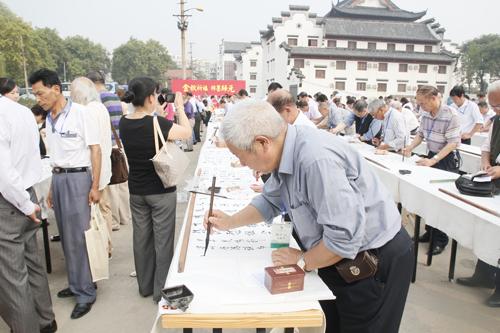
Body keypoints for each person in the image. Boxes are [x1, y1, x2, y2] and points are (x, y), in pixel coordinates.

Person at [206, 100, 413, 333]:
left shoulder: (315, 160)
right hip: (333, 257)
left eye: (242, 157)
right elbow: (271, 200)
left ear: (262, 143)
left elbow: (343, 240)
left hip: (371, 262)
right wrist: (230, 221)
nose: (243, 164)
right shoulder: (285, 149)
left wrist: (303, 261)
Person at [29, 68, 101, 319]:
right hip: (59, 179)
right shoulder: (49, 118)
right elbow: (56, 156)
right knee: (66, 237)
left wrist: (95, 186)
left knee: (79, 238)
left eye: (40, 93)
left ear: (56, 89)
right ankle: (77, 283)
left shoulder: (81, 114)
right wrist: (51, 187)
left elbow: (96, 150)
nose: (38, 99)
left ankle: (85, 293)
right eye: (36, 95)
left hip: (79, 179)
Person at [119, 78, 192, 303]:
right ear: (151, 96)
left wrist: (157, 110)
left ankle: (145, 285)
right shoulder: (157, 124)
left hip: (137, 190)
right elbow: (187, 132)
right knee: (163, 241)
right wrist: (178, 106)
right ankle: (161, 290)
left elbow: (144, 123)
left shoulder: (124, 122)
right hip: (160, 190)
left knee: (141, 239)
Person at [0, 95, 57, 333]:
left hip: (11, 200)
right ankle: (46, 320)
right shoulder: (20, 111)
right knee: (31, 262)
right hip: (27, 192)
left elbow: (3, 173)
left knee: (13, 276)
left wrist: (23, 203)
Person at [456, 80, 500, 307]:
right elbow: (486, 147)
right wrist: (485, 162)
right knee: (487, 228)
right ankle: (483, 274)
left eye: (499, 106)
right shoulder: (496, 120)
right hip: (493, 184)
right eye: (494, 106)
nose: (496, 111)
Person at [403, 85, 461, 255]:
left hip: (446, 159)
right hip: (431, 156)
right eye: (419, 103)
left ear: (434, 98)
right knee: (428, 197)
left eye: (423, 103)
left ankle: (441, 239)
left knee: (441, 200)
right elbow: (421, 134)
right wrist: (410, 147)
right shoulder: (426, 113)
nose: (420, 106)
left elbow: (452, 143)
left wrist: (433, 160)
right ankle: (430, 232)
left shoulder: (451, 115)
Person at [70, 77, 113, 256]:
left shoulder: (86, 111)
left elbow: (93, 148)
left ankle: (100, 250)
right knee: (104, 210)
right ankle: (107, 247)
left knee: (96, 214)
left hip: (95, 170)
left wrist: (94, 182)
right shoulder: (100, 107)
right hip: (104, 168)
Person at [87, 71, 131, 231]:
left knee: (111, 185)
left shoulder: (98, 99)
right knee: (122, 182)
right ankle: (125, 216)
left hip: (108, 146)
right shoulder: (114, 97)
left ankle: (114, 221)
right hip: (119, 143)